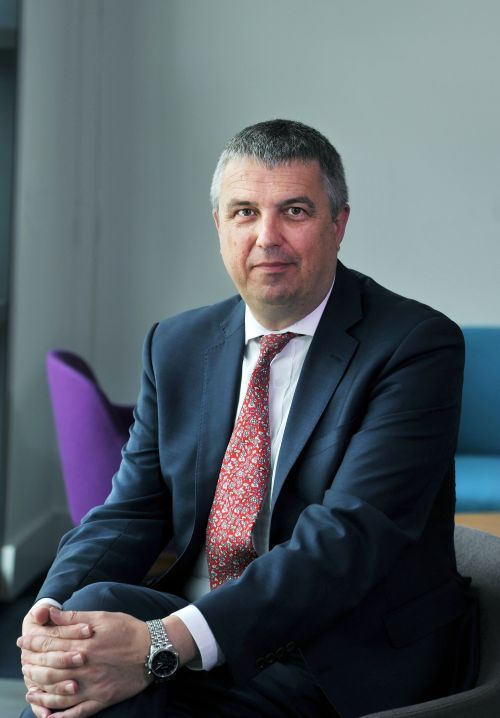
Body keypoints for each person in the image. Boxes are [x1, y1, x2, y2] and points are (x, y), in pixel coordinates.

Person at [18, 119, 478, 718]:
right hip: (202, 623)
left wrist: (161, 643)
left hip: (338, 650)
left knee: (106, 699)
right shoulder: (177, 344)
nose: (267, 237)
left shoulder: (414, 345)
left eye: (294, 211)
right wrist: (50, 613)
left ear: (338, 224)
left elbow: (347, 539)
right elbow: (131, 508)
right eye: (244, 213)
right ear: (219, 226)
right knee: (83, 637)